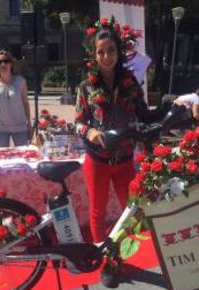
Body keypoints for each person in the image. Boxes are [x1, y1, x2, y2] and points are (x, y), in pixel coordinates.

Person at [75, 18, 149, 244]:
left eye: (111, 50)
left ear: (118, 52)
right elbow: (78, 123)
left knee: (132, 209)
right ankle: (106, 258)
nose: (106, 56)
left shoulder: (131, 83)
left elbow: (143, 115)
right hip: (97, 160)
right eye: (101, 52)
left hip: (125, 159)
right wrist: (91, 133)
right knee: (98, 211)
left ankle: (124, 247)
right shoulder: (86, 86)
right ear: (94, 55)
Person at [0, 50, 31, 147]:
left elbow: (25, 104)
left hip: (20, 126)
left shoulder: (20, 81)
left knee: (22, 157)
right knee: (2, 158)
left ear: (11, 63)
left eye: (6, 61)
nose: (3, 64)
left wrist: (29, 125)